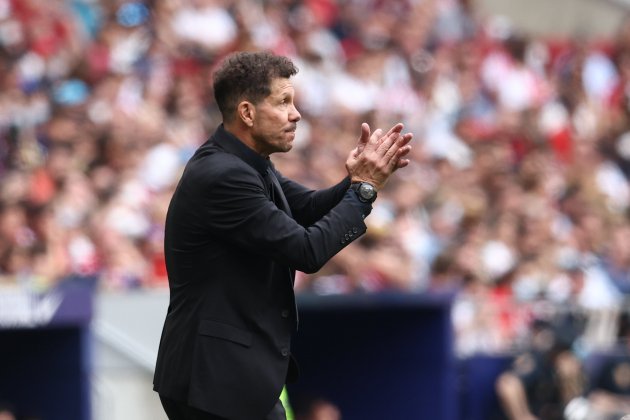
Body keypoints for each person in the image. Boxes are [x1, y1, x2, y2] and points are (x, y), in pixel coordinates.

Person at [152, 50, 413, 420]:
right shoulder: (224, 175)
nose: (296, 114)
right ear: (247, 113)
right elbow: (306, 250)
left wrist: (357, 180)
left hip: (225, 375)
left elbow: (306, 207)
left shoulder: (244, 163)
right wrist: (364, 190)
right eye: (283, 102)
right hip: (214, 378)